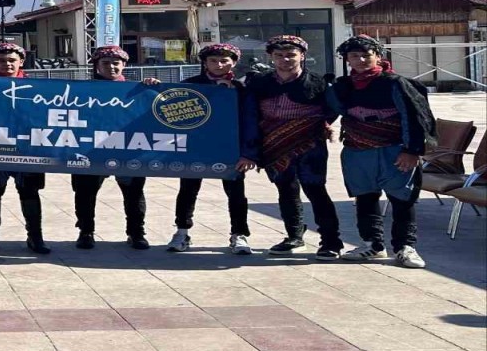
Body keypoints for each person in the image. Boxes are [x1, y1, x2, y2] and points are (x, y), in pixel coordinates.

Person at [328, 36, 436, 269]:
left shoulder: (395, 83)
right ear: (347, 59)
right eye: (355, 55)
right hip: (358, 151)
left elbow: (414, 117)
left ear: (378, 56)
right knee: (365, 198)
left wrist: (411, 151)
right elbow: (329, 110)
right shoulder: (342, 87)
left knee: (402, 199)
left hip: (395, 151)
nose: (361, 59)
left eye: (367, 54)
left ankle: (405, 247)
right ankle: (372, 245)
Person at [149, 44, 256, 255]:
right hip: (195, 148)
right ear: (204, 63)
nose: (219, 65)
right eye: (213, 60)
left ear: (233, 62)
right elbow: (165, 103)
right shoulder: (192, 84)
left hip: (230, 148)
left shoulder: (243, 88)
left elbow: (251, 120)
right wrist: (154, 86)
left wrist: (249, 152)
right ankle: (181, 232)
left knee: (236, 193)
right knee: (188, 191)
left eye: (224, 60)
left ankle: (239, 234)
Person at [245, 35, 344, 259]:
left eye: (291, 54)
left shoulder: (319, 83)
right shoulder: (259, 83)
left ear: (302, 55)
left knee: (316, 190)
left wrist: (316, 125)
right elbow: (250, 113)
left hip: (310, 145)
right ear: (270, 57)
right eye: (279, 55)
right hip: (273, 145)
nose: (285, 60)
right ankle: (294, 237)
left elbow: (334, 108)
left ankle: (331, 241)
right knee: (286, 191)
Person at [0, 42, 49, 256]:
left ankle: (35, 237)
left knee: (30, 193)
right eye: (1, 60)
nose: (7, 64)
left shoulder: (37, 88)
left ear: (21, 62)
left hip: (27, 149)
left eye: (12, 60)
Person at [71, 46, 149, 250]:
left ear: (124, 65)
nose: (111, 67)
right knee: (85, 193)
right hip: (90, 150)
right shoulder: (82, 90)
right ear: (96, 66)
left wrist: (152, 88)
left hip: (128, 149)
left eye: (116, 63)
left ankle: (136, 233)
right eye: (106, 63)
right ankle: (85, 231)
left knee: (134, 194)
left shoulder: (138, 89)